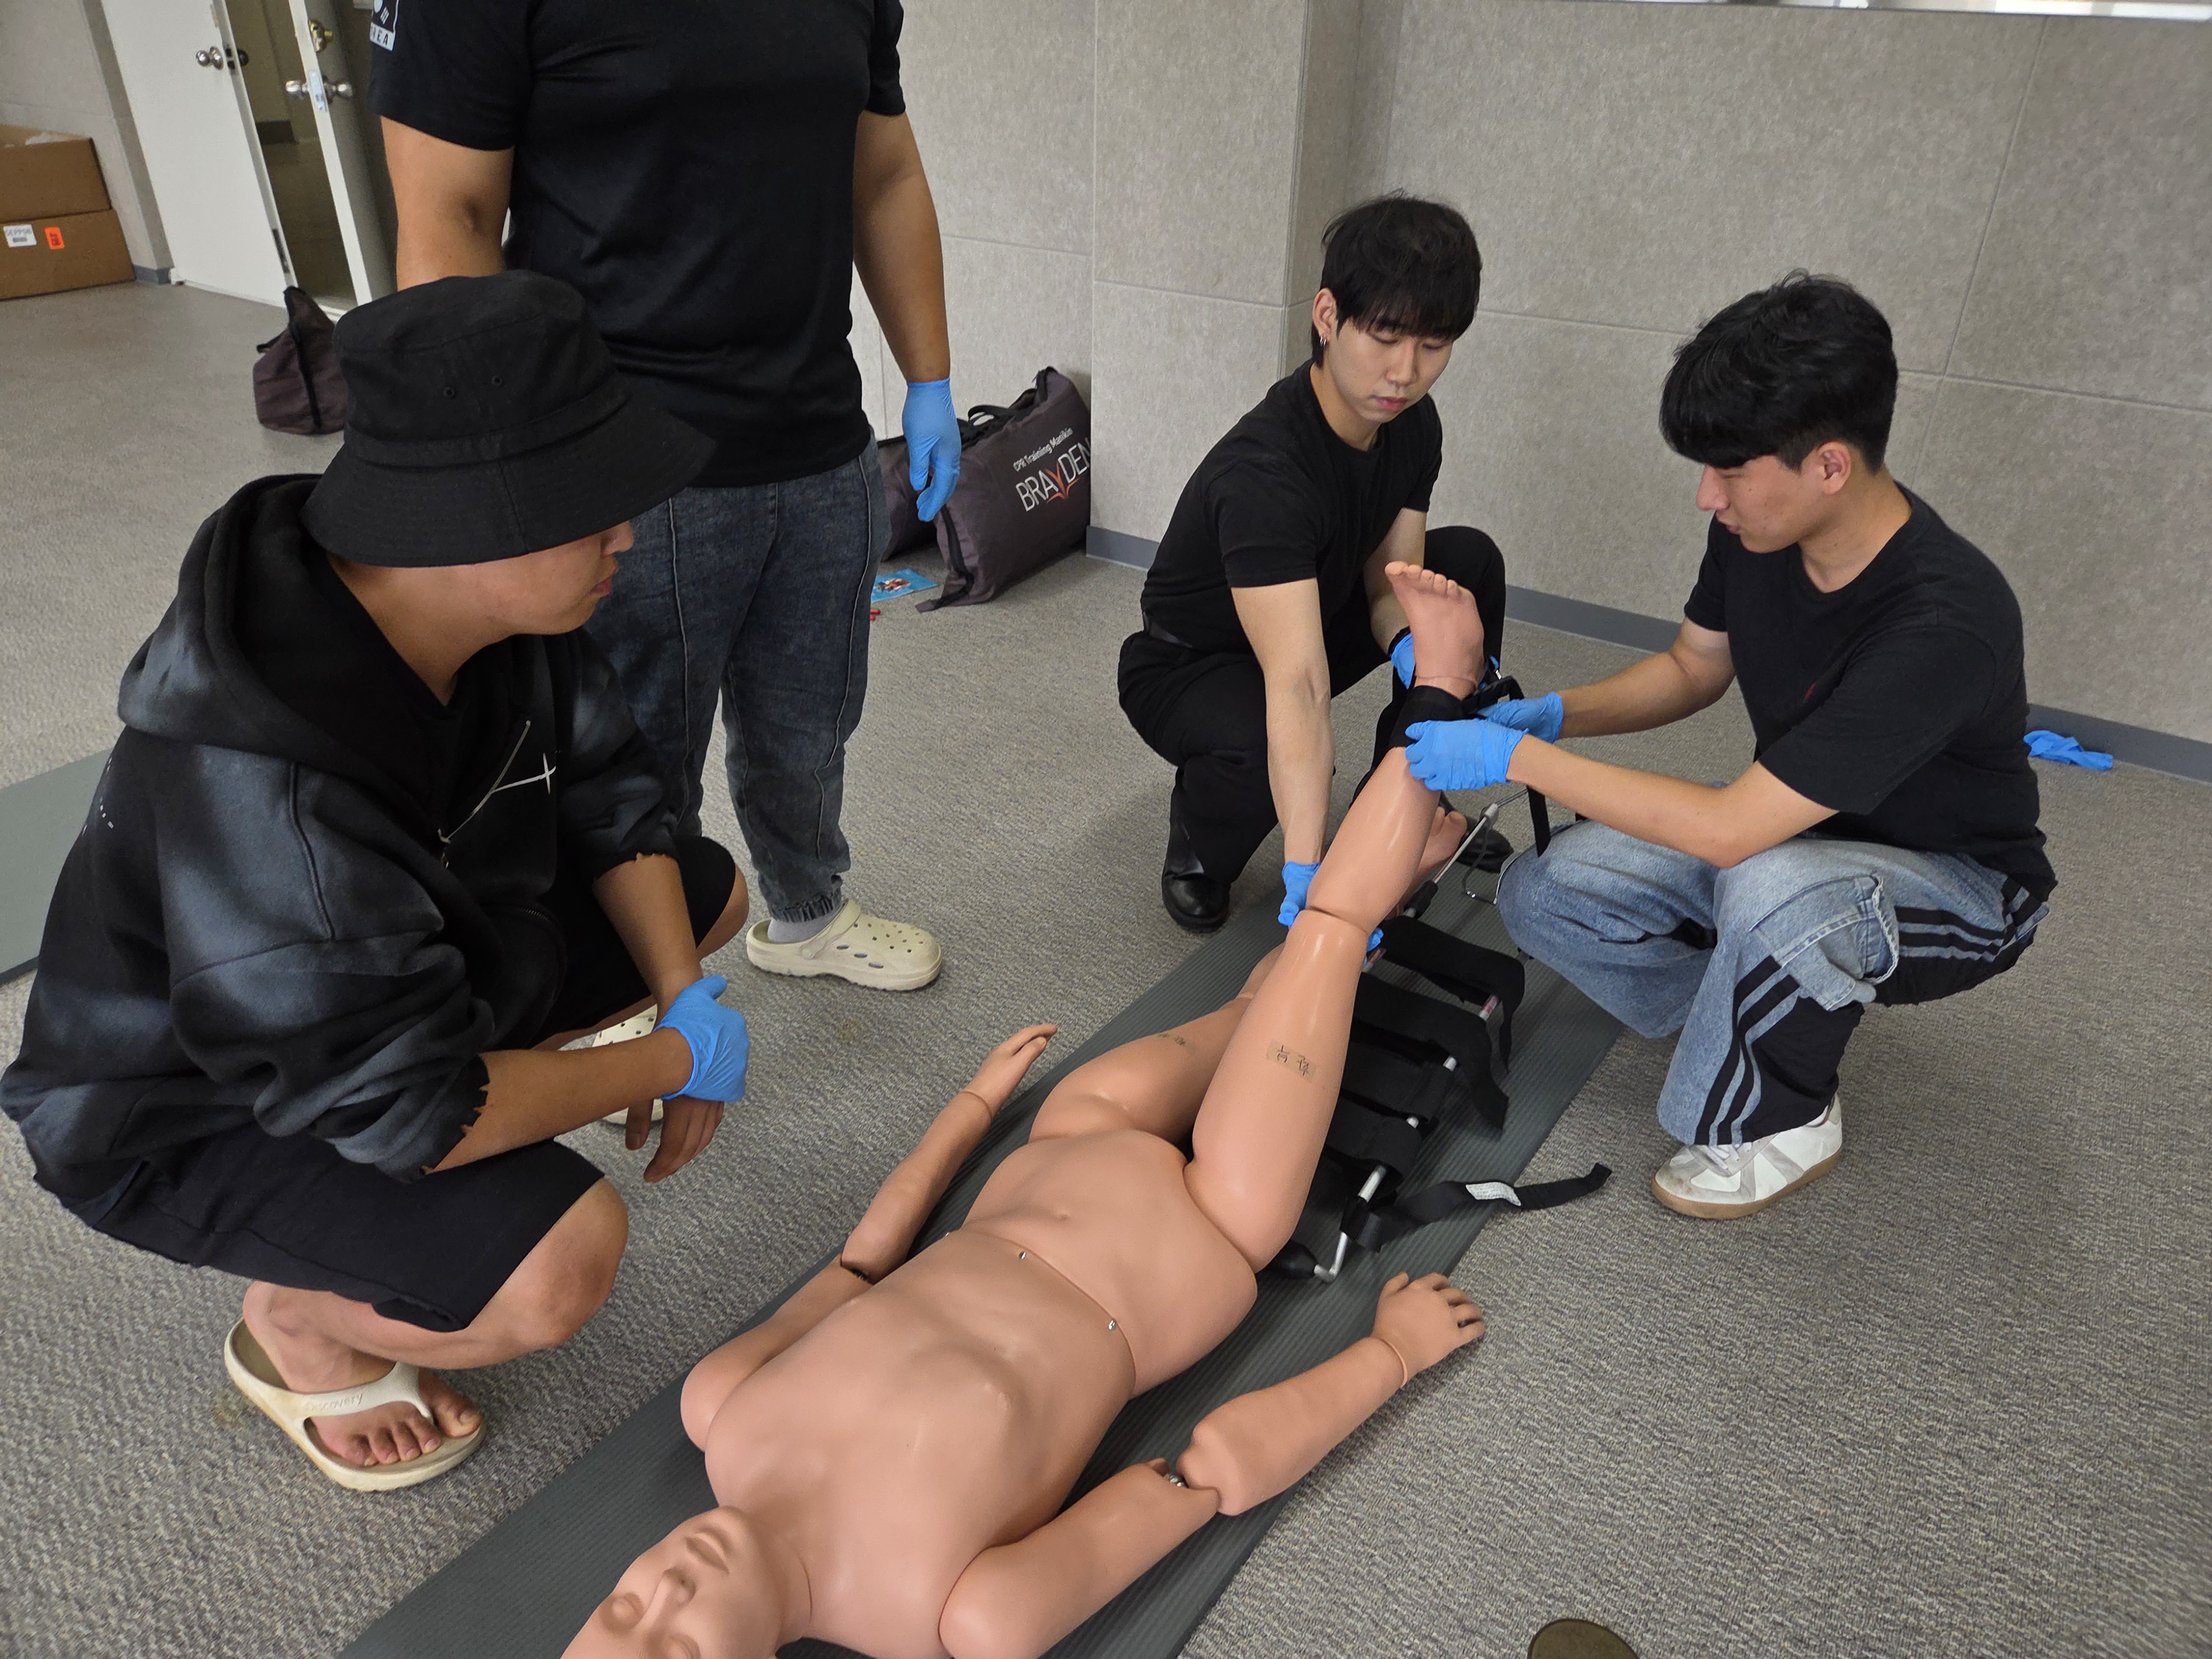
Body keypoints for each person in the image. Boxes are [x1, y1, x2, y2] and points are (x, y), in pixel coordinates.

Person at [558, 561, 1491, 1659]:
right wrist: (1388, 1360)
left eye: (623, 1610)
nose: (667, 1588)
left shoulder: (724, 1407)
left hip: (1069, 1148)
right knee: (1327, 932)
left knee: (1266, 1002)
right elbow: (1201, 1475)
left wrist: (971, 1105)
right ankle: (1440, 697)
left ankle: (1383, 878)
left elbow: (863, 1261)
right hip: (1198, 1230)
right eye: (677, 1650)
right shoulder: (957, 1612)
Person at [0, 274, 755, 1489]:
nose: (626, 533)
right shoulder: (274, 786)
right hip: (180, 1110)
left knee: (704, 896)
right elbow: (422, 1113)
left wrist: (685, 996)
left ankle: (480, 1062)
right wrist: (672, 1062)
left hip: (390, 970)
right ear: (470, 523)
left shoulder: (508, 618)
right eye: (593, 509)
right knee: (559, 1266)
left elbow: (615, 797)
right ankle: (295, 1322)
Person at [1401, 273, 2053, 1220]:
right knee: (1545, 890)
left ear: (1829, 466)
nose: (1708, 495)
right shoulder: (1757, 532)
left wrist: (1512, 762)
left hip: (1961, 886)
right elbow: (1692, 668)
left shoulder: (1944, 624)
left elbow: (1730, 829)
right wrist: (1554, 715)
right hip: (1802, 832)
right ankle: (1751, 1005)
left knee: (1768, 890)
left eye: (1730, 471)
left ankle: (1788, 1117)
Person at [373, 0, 953, 992]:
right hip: (618, 460)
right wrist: (507, 469)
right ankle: (629, 979)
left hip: (819, 436)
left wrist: (929, 377)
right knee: (633, 756)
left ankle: (809, 909)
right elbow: (447, 216)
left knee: (809, 730)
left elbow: (885, 173)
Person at [1119, 193, 1511, 934]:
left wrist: (1427, 663)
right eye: (1385, 337)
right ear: (1328, 316)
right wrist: (1312, 878)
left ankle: (1403, 796)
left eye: (1433, 346)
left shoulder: (1412, 425)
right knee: (1266, 736)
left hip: (1318, 610)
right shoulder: (1265, 473)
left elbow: (1394, 583)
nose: (1406, 372)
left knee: (1466, 567)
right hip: (1192, 665)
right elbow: (1299, 685)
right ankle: (1199, 841)